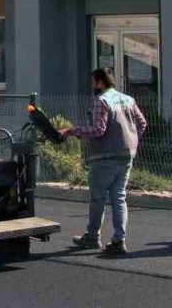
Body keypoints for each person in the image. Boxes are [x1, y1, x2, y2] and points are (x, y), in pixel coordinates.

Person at [61, 68, 148, 255]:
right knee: (119, 197)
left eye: (93, 82)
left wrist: (73, 131)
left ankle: (92, 237)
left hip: (104, 157)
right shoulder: (128, 99)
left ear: (100, 82)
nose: (93, 86)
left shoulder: (102, 101)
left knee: (98, 198)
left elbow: (98, 130)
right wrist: (131, 139)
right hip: (126, 156)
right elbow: (142, 124)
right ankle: (119, 239)